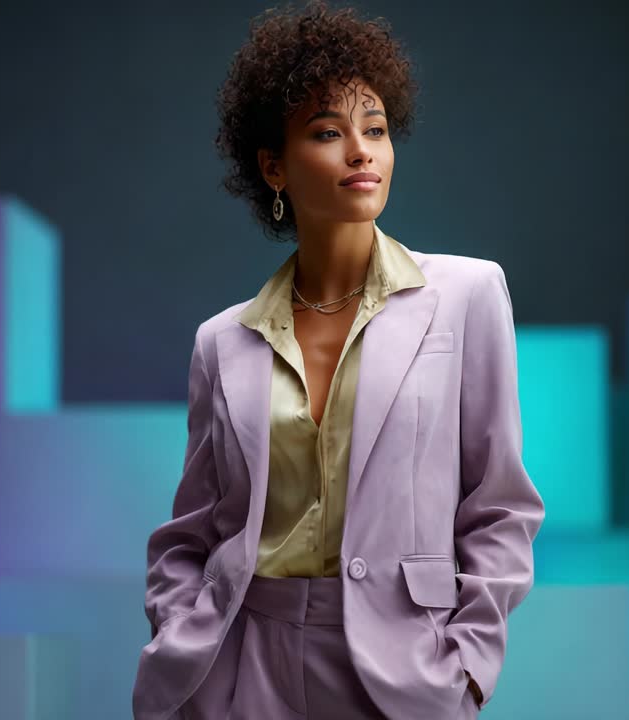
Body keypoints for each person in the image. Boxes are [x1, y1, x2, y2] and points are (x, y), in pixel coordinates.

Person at [132, 2, 544, 718]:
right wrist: (182, 631)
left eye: (376, 130)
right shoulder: (221, 342)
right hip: (241, 664)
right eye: (328, 133)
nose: (362, 151)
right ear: (275, 168)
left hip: (401, 672)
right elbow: (189, 535)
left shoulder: (469, 295)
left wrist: (467, 667)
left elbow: (500, 506)